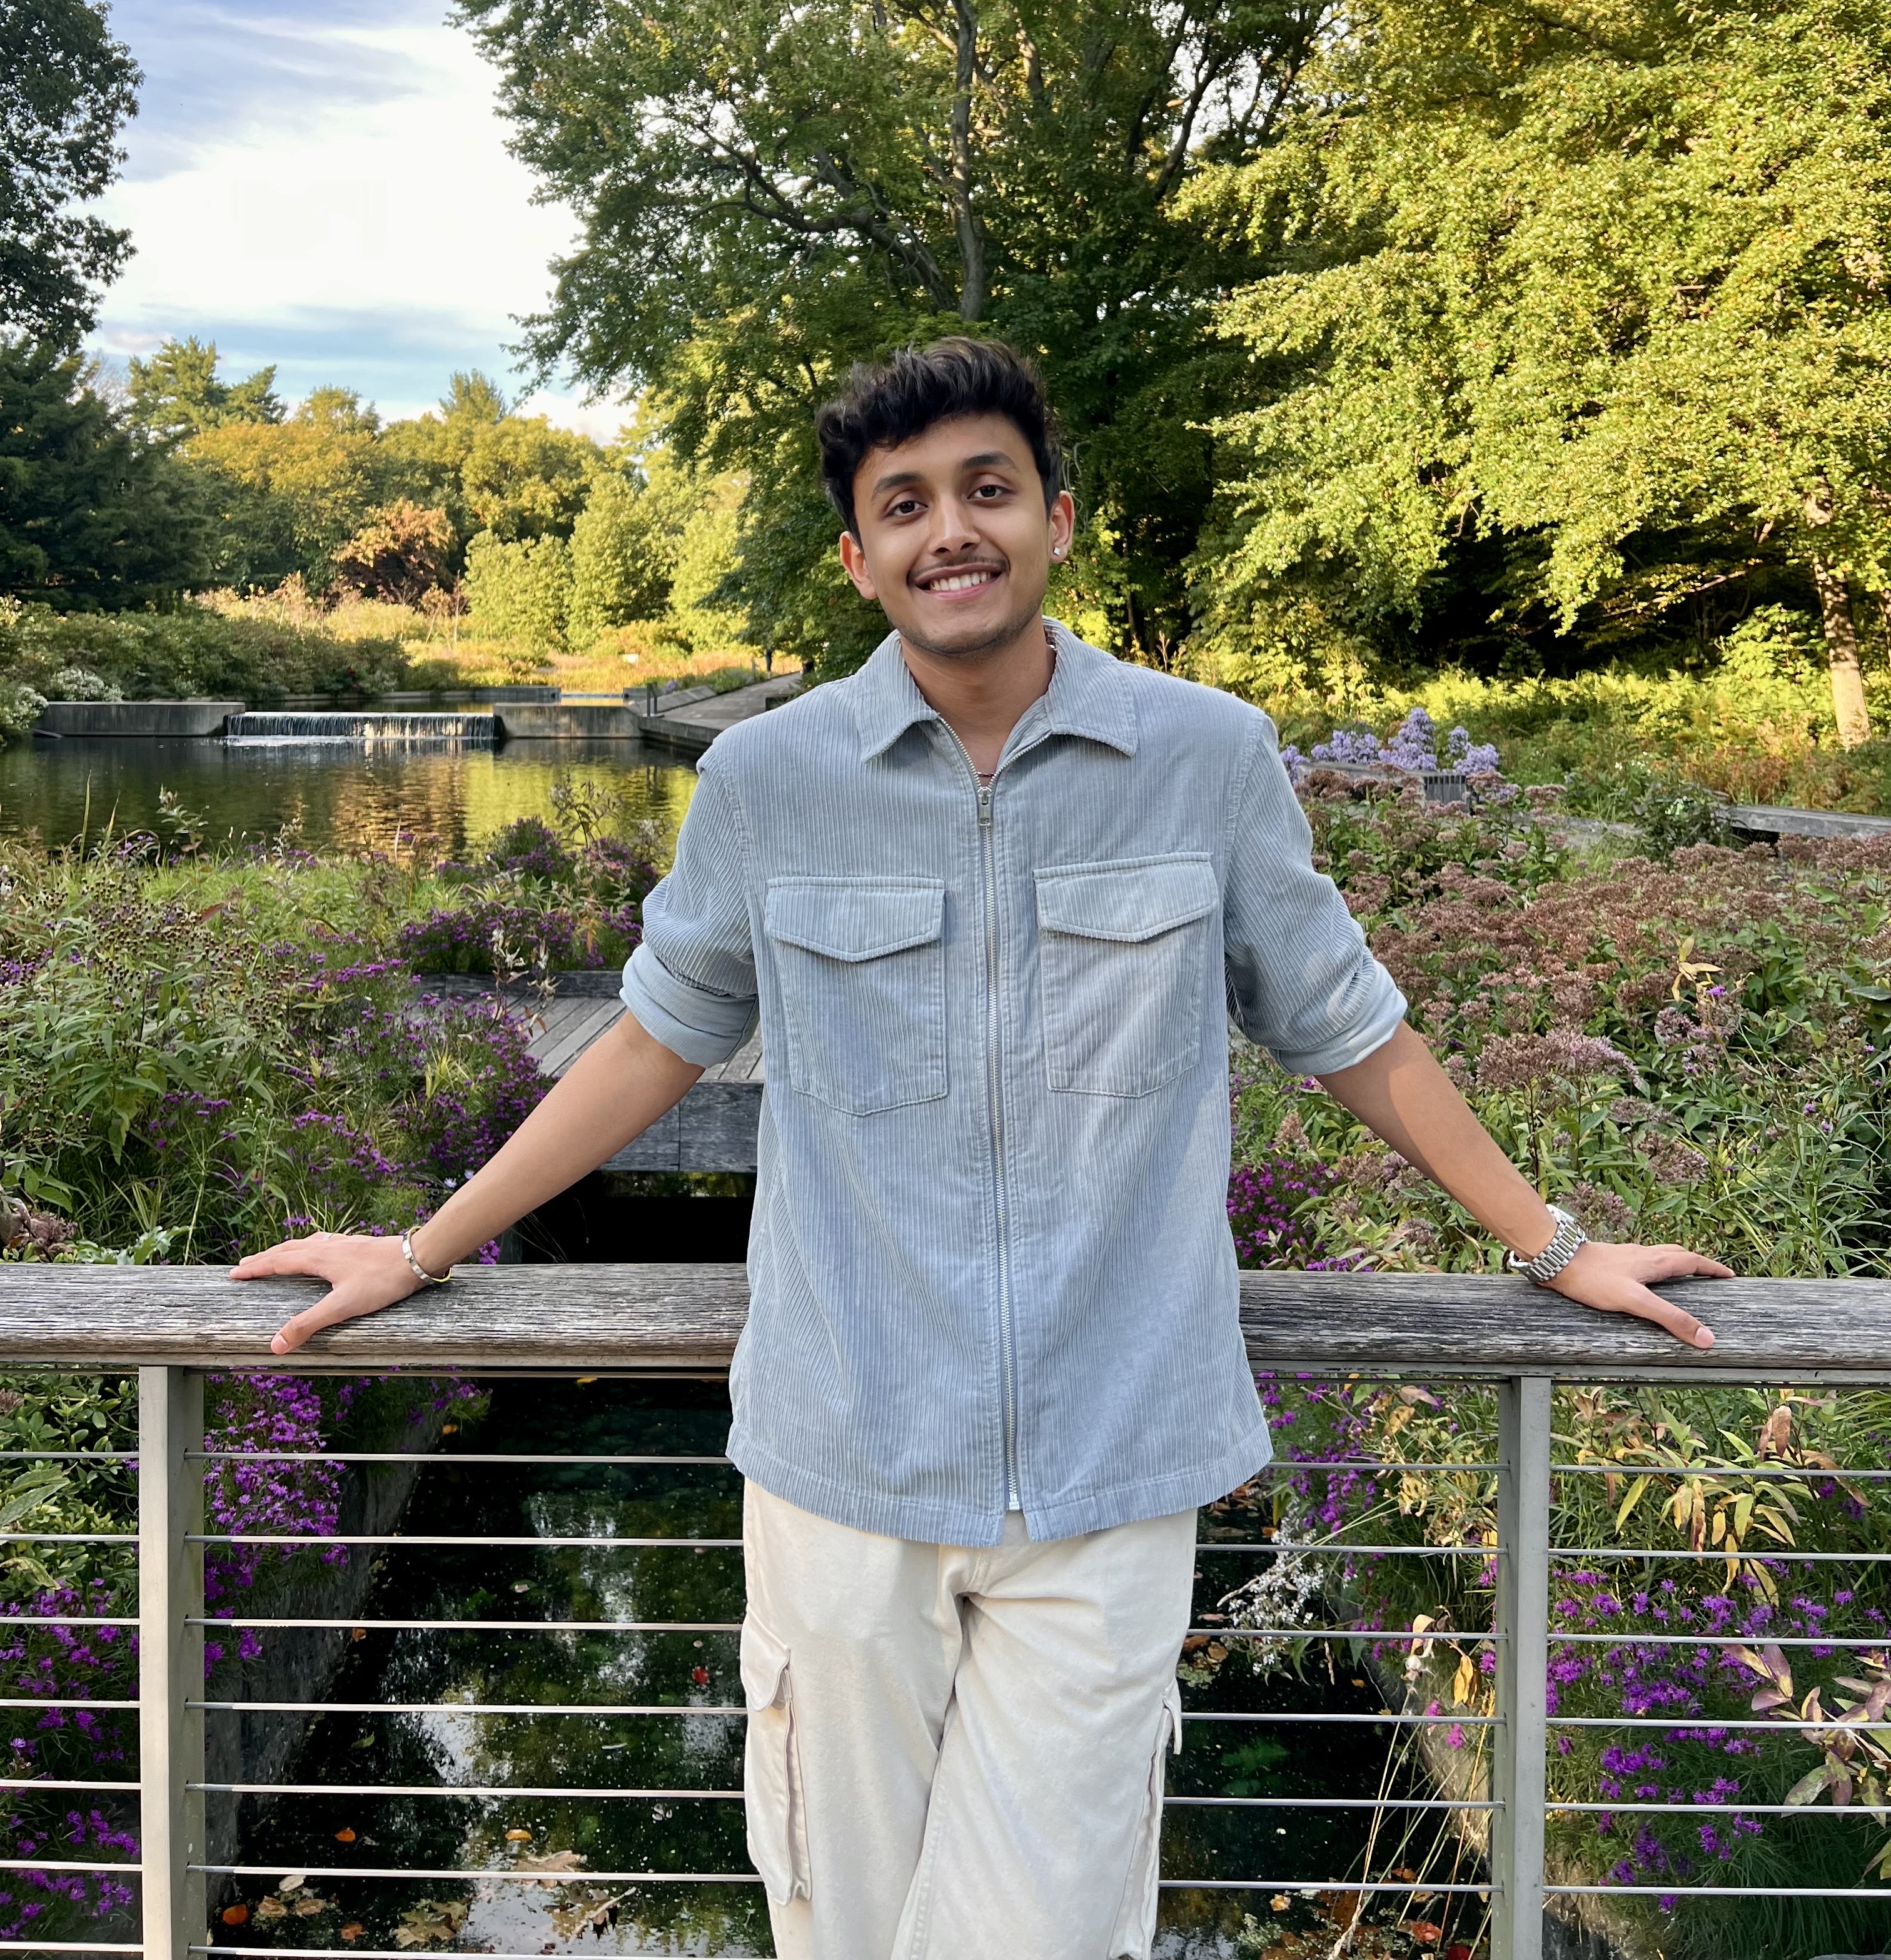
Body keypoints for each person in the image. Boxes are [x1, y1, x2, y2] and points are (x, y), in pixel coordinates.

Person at [233, 338, 1732, 1960]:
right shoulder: (765, 781)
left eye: (986, 487)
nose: (951, 527)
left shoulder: (1209, 760)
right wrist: (422, 1247)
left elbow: (1349, 1029)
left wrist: (1558, 1246)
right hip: (842, 1464)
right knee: (849, 1924)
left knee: (1053, 1936)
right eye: (905, 501)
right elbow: (654, 1041)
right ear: (858, 554)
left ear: (1056, 518)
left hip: (1116, 1470)